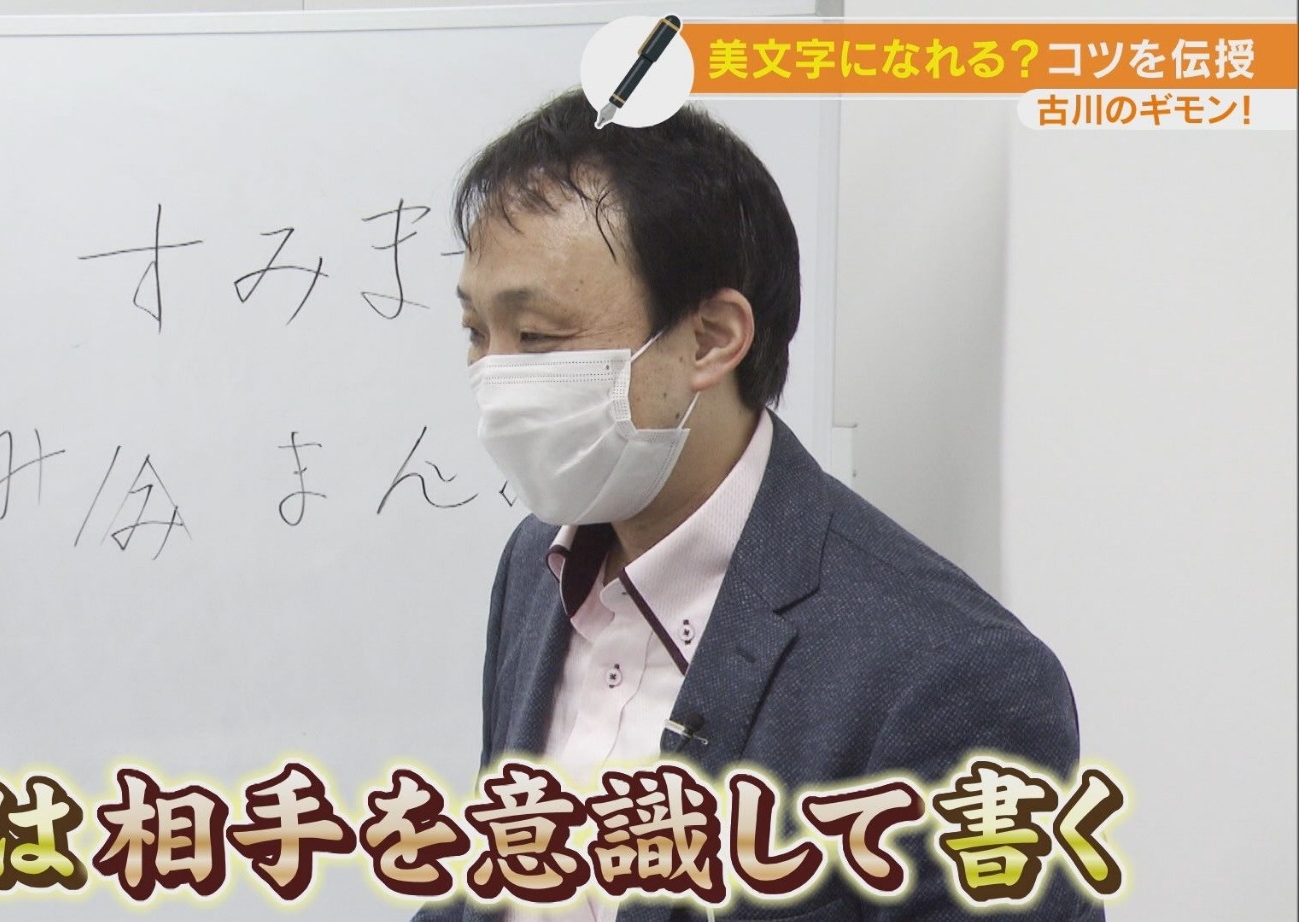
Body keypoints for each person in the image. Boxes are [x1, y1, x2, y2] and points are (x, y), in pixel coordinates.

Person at [416, 89, 1104, 921]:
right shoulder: (538, 565)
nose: (495, 379)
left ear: (711, 339)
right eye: (476, 333)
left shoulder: (951, 675)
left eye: (537, 337)